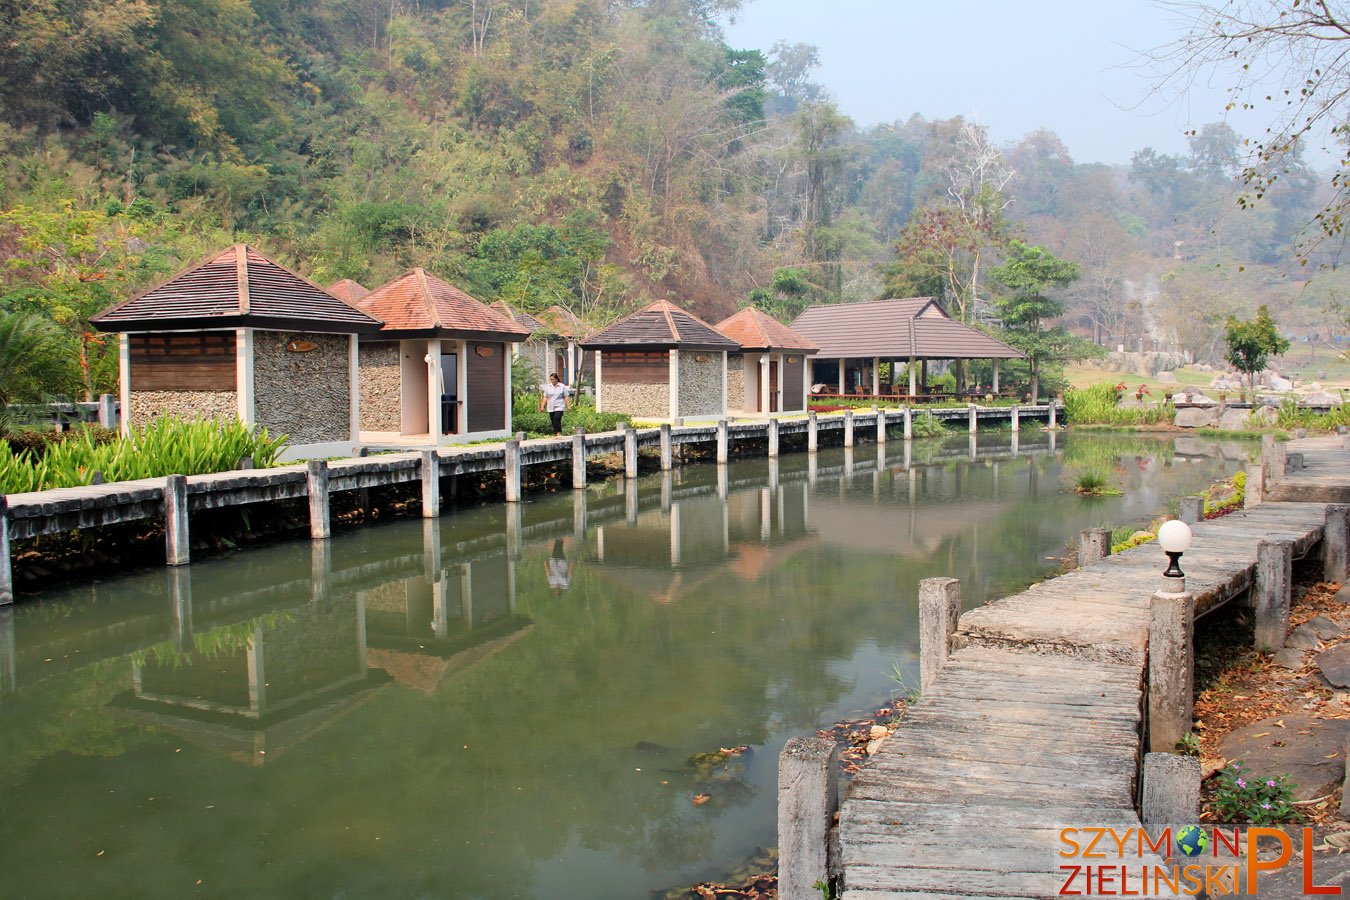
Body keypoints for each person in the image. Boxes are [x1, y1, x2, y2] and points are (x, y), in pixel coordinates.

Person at [538, 372, 573, 436]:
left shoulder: (562, 386)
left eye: (553, 379)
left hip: (560, 406)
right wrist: (542, 406)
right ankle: (555, 433)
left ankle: (559, 433)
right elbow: (545, 397)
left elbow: (566, 396)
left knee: (557, 418)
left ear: (556, 379)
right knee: (553, 420)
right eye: (550, 379)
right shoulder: (548, 387)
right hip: (551, 406)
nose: (551, 381)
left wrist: (568, 406)